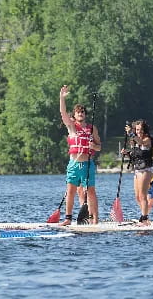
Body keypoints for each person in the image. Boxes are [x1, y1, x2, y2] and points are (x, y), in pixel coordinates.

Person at [59, 85, 102, 225]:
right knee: (70, 191)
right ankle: (68, 218)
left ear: (85, 114)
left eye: (83, 112)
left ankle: (94, 219)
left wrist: (93, 146)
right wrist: (62, 98)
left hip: (87, 164)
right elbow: (63, 112)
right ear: (75, 115)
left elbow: (99, 147)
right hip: (73, 164)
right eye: (78, 112)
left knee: (90, 192)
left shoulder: (92, 128)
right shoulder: (72, 127)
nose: (81, 113)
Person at [122, 120, 153, 225]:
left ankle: (144, 218)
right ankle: (145, 215)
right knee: (137, 196)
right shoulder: (134, 141)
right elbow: (134, 156)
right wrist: (127, 153)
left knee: (142, 195)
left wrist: (131, 133)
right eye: (137, 129)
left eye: (140, 129)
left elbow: (141, 143)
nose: (138, 131)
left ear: (144, 130)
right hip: (137, 170)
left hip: (146, 170)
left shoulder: (147, 139)